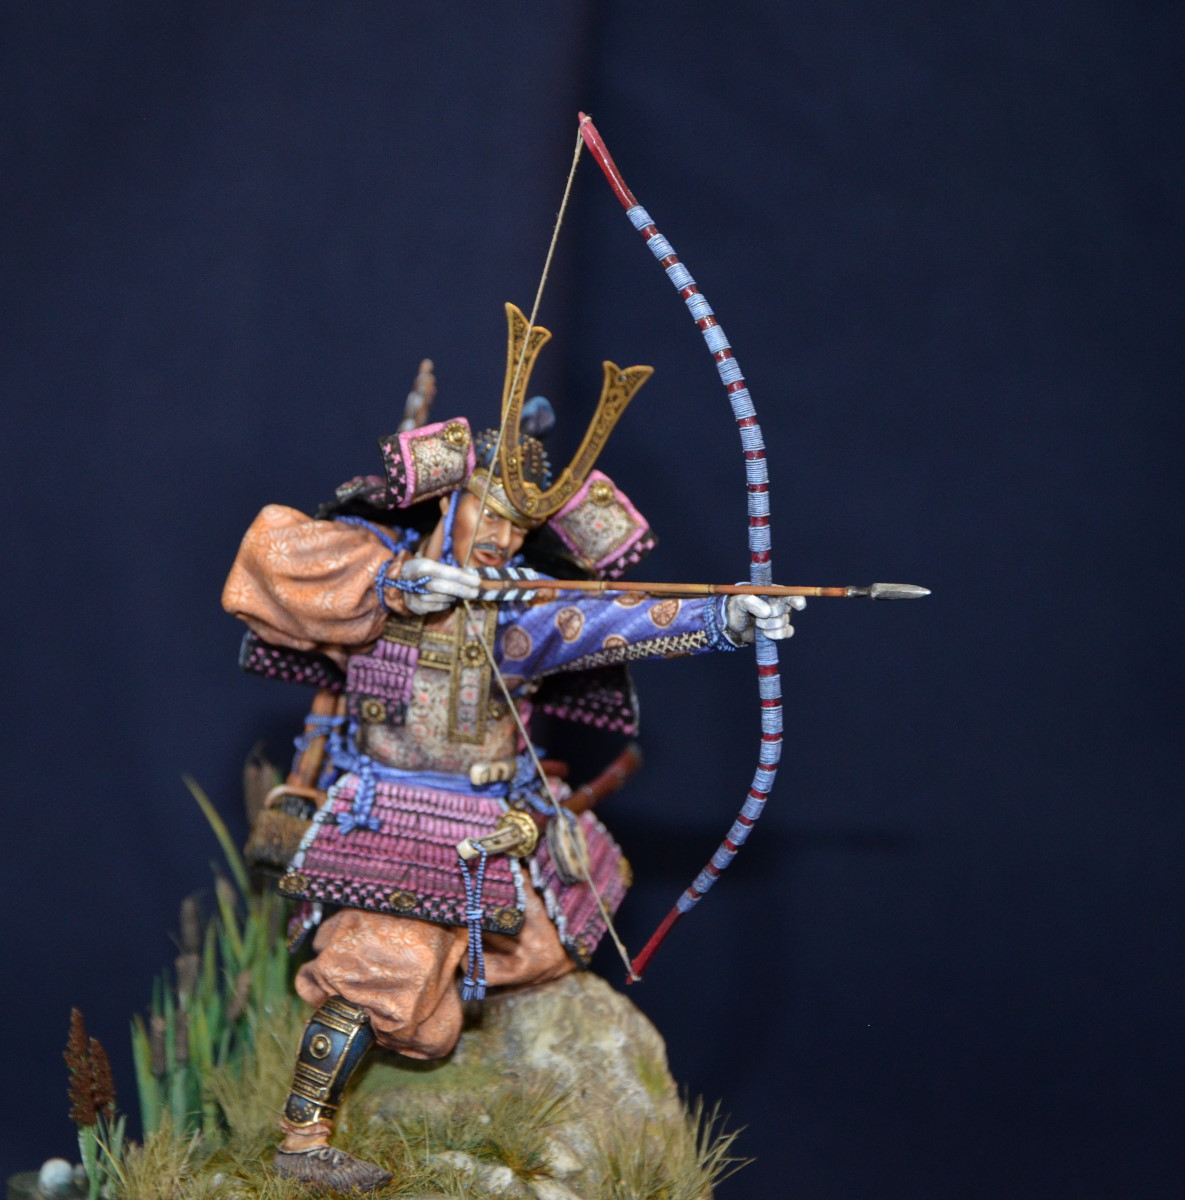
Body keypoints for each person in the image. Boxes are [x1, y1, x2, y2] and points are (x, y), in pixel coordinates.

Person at [222, 308, 801, 1189]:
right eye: (486, 516)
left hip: (491, 817)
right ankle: (303, 1140)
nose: (498, 541)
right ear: (448, 504)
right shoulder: (371, 575)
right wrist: (396, 583)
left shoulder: (520, 612)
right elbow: (271, 549)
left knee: (541, 940)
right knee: (381, 965)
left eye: (516, 532)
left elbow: (616, 618)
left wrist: (727, 618)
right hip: (387, 813)